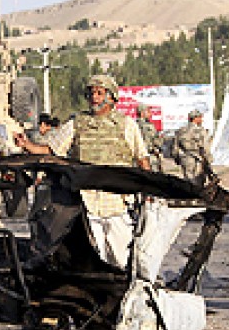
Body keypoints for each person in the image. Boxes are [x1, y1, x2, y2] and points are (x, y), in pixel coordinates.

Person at [14, 74, 150, 267]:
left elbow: (142, 159)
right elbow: (51, 150)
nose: (94, 97)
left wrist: (148, 193)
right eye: (91, 93)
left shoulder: (127, 125)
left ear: (111, 97)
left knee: (121, 258)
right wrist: (27, 145)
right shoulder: (77, 123)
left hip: (117, 203)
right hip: (86, 204)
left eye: (100, 93)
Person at [173, 109, 212, 185]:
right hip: (197, 159)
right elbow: (205, 147)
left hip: (185, 158)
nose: (201, 120)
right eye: (200, 118)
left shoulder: (181, 130)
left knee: (188, 179)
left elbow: (175, 147)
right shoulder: (200, 130)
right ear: (195, 118)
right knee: (198, 180)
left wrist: (177, 159)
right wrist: (208, 160)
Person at [136, 104, 163, 173]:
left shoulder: (134, 124)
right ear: (142, 113)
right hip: (149, 156)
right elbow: (154, 141)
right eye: (148, 112)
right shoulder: (147, 126)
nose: (150, 114)